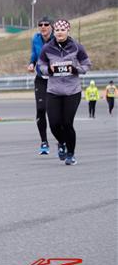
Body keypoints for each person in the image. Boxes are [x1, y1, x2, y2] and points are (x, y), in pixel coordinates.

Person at [38, 19, 91, 165]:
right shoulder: (47, 48)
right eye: (57, 30)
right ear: (54, 32)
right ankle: (62, 142)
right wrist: (48, 70)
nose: (60, 33)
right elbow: (41, 64)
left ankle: (71, 154)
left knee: (67, 123)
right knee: (54, 124)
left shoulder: (77, 47)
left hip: (72, 91)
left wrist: (76, 69)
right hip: (53, 91)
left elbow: (87, 64)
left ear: (68, 31)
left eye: (62, 30)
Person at [28, 16, 54, 154]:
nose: (43, 27)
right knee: (41, 109)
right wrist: (32, 63)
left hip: (55, 79)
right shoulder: (36, 38)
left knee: (54, 113)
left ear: (51, 26)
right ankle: (44, 142)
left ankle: (62, 141)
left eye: (46, 24)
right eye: (40, 24)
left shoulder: (57, 38)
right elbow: (34, 53)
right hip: (40, 78)